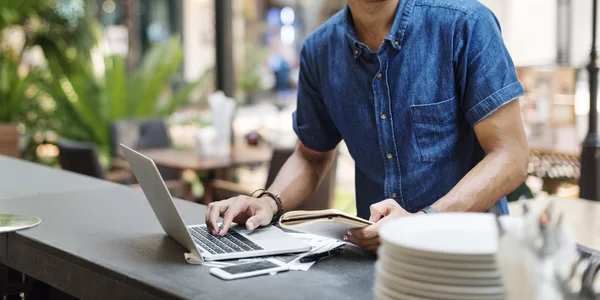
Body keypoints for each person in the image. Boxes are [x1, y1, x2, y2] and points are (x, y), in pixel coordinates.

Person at [206, 0, 529, 251]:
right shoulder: (319, 51)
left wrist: (426, 221)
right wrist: (267, 201)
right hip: (377, 263)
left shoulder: (465, 24)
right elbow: (311, 155)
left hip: (471, 257)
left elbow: (510, 156)